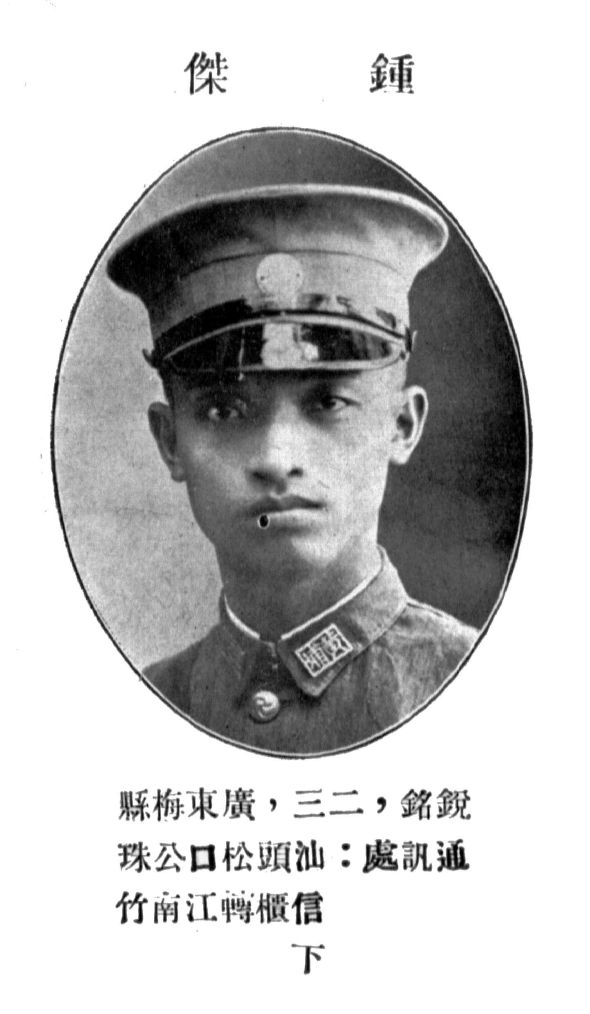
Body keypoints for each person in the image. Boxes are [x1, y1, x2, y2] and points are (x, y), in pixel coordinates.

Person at [107, 183, 478, 754]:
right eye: (224, 410)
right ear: (170, 441)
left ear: (402, 425)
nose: (277, 460)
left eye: (328, 403)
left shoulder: (479, 686)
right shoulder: (137, 713)